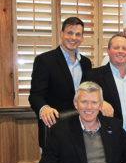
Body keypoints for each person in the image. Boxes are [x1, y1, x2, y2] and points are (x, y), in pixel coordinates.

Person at [35, 81, 126, 163]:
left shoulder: (114, 127)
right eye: (84, 102)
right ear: (75, 103)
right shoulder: (60, 131)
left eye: (94, 102)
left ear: (100, 105)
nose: (89, 107)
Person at [29, 17, 92, 148]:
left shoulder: (86, 63)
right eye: (69, 33)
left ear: (82, 37)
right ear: (61, 34)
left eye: (78, 34)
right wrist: (44, 108)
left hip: (81, 128)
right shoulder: (44, 60)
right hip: (54, 128)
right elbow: (35, 95)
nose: (73, 37)